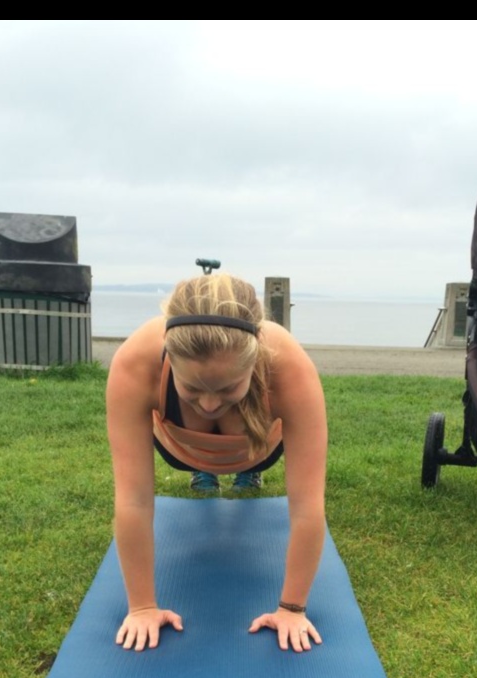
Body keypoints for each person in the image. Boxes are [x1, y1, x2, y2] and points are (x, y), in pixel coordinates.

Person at [106, 273, 328, 654]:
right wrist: (142, 606)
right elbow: (134, 501)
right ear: (168, 357)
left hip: (258, 445)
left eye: (227, 389)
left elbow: (307, 506)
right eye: (192, 389)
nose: (209, 403)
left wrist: (292, 608)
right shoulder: (135, 363)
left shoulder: (289, 367)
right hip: (180, 444)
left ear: (255, 357)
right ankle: (203, 465)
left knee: (237, 427)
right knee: (202, 420)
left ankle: (246, 466)